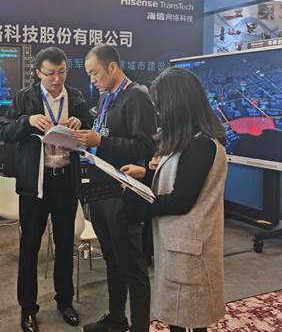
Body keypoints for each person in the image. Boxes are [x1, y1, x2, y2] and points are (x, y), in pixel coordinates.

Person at [120, 67, 228, 332]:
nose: (158, 114)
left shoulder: (201, 145)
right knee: (180, 316)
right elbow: (179, 179)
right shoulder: (190, 141)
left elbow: (181, 200)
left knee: (189, 319)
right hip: (180, 246)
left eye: (159, 106)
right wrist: (145, 174)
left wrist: (138, 205)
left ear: (177, 105)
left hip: (190, 250)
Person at [2, 46, 91, 332]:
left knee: (65, 245)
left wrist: (80, 123)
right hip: (35, 185)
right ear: (38, 72)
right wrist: (27, 121)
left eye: (62, 72)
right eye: (51, 73)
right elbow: (6, 132)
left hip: (65, 180)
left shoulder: (75, 97)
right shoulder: (25, 98)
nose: (57, 79)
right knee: (30, 247)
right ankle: (28, 308)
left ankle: (65, 301)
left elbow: (90, 128)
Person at [74, 44, 155, 332]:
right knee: (111, 259)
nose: (92, 79)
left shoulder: (137, 96)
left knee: (132, 266)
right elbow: (105, 136)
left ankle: (140, 326)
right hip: (100, 189)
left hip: (123, 192)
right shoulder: (106, 97)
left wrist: (101, 142)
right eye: (89, 74)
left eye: (95, 73)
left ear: (112, 67)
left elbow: (144, 146)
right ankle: (117, 319)